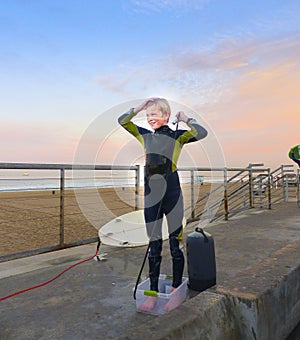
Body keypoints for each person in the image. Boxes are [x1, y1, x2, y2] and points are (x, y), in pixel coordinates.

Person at [118, 98, 208, 311]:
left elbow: (201, 132)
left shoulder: (178, 136)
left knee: (175, 245)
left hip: (173, 195)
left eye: (154, 114)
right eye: (148, 115)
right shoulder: (144, 135)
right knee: (154, 245)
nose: (150, 119)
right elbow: (123, 121)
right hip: (152, 196)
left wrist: (185, 119)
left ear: (166, 116)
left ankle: (176, 289)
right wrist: (139, 108)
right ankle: (153, 293)